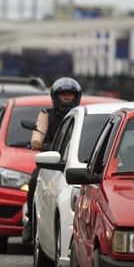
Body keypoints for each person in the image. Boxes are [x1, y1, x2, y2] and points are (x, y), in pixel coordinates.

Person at [22, 77, 82, 243]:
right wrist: (36, 143)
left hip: (77, 162)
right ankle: (30, 221)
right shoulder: (46, 114)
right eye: (63, 94)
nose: (67, 97)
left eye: (70, 94)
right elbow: (38, 135)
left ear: (76, 96)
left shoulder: (82, 114)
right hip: (54, 162)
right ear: (55, 96)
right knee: (34, 181)